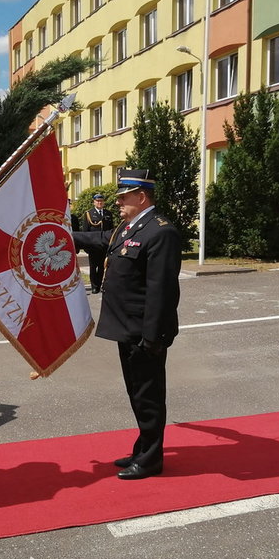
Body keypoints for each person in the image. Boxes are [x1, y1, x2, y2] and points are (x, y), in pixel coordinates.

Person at [73, 169, 181, 480]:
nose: (118, 202)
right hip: (126, 327)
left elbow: (162, 291)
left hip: (144, 332)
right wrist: (67, 236)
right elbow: (102, 239)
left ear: (141, 197)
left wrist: (154, 337)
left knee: (148, 395)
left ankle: (150, 460)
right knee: (137, 393)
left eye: (123, 197)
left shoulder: (160, 232)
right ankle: (143, 448)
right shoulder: (129, 226)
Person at [81, 193, 114, 293]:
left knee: (101, 266)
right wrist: (86, 245)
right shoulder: (88, 214)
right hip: (93, 245)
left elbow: (111, 230)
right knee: (93, 266)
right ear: (94, 202)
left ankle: (99, 285)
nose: (100, 203)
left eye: (101, 201)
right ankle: (94, 286)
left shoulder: (108, 214)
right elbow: (85, 231)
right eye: (98, 201)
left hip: (104, 245)